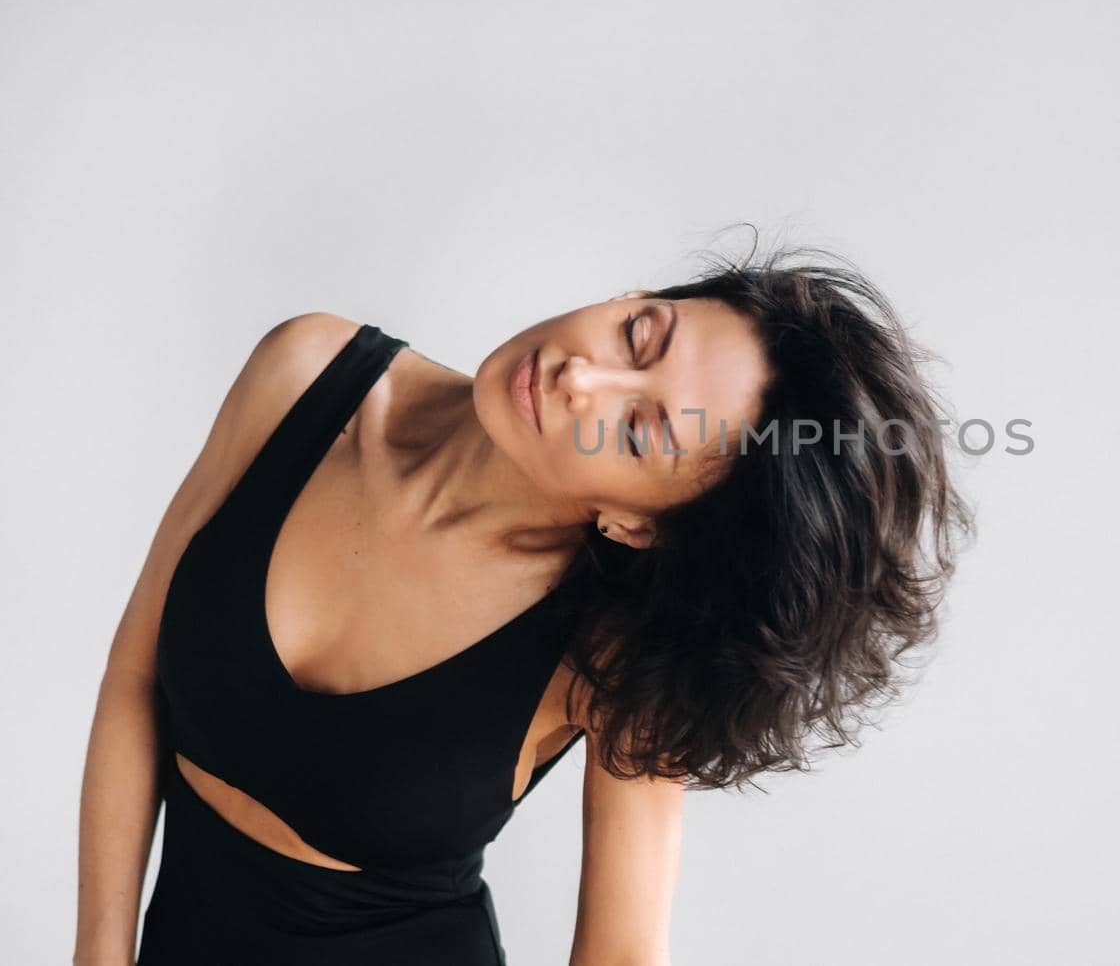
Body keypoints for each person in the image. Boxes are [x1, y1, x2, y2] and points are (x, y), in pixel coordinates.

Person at [74, 243, 975, 965]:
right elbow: (137, 671)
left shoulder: (614, 653)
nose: (583, 378)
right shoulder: (307, 371)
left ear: (636, 524)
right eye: (640, 335)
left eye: (637, 430)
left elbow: (622, 952)